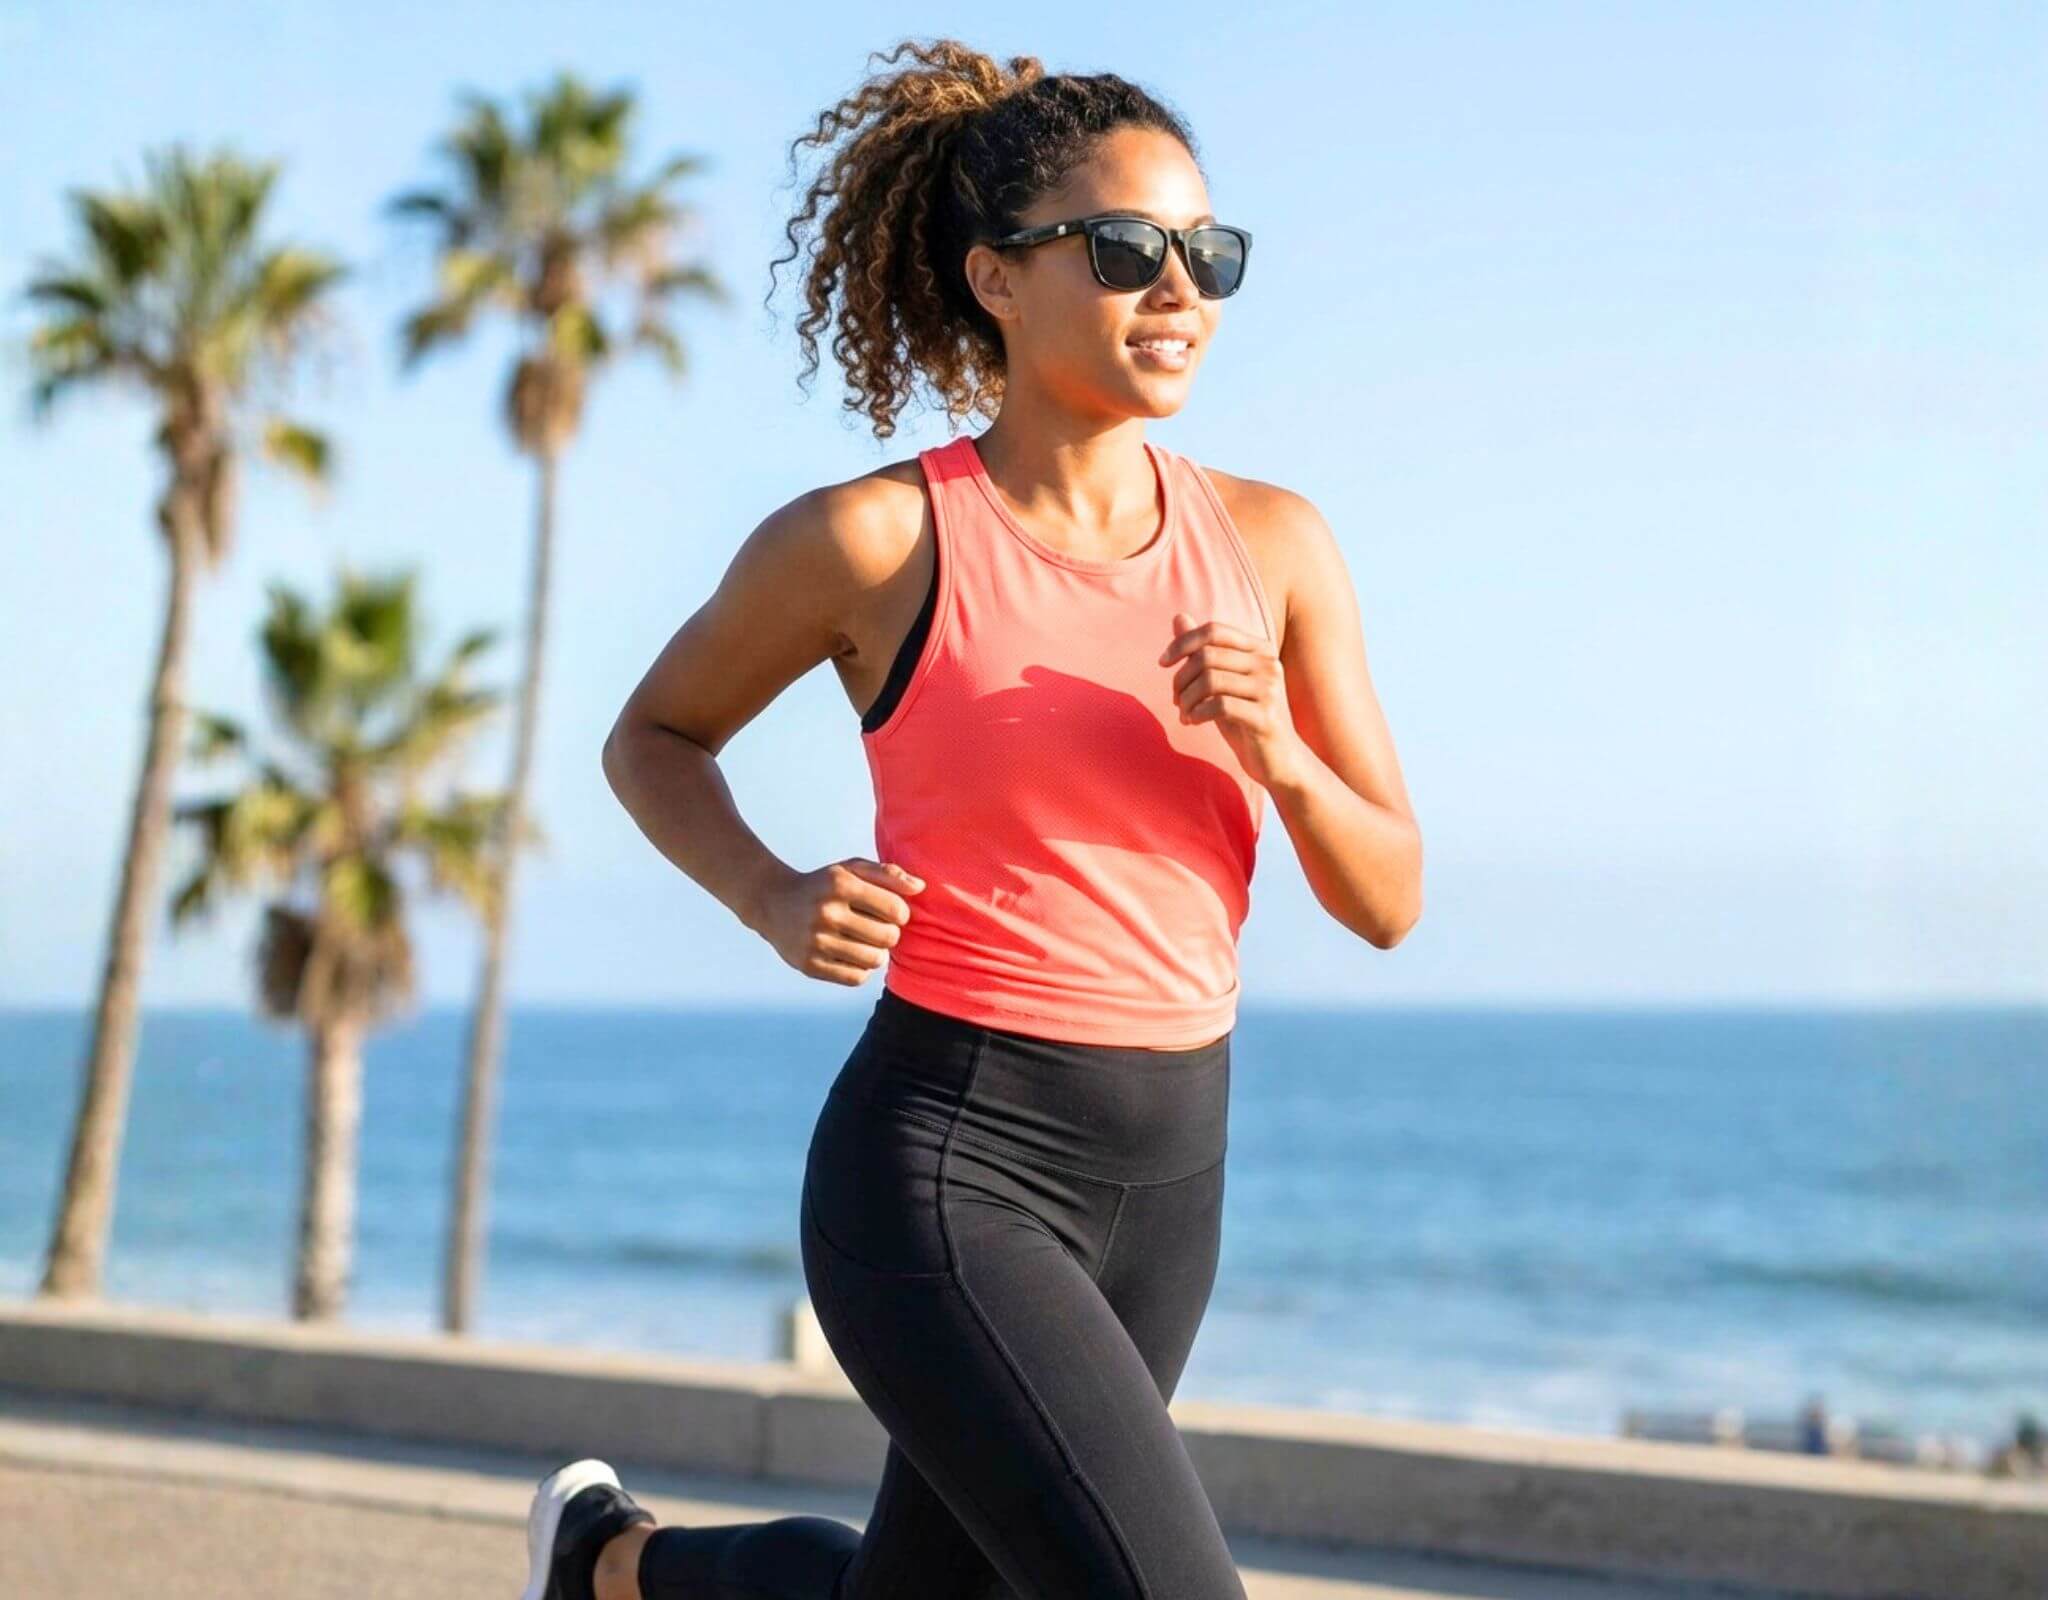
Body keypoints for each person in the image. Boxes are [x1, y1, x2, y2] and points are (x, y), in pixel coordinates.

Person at [527, 35, 1422, 1600]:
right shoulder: (876, 541)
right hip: (948, 1165)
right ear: (997, 280)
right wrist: (770, 895)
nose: (1179, 291)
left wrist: (1279, 754)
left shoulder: (1275, 546)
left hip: (1173, 1180)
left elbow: (1391, 894)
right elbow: (655, 738)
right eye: (1130, 250)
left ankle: (613, 1571)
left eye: (1208, 254)